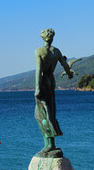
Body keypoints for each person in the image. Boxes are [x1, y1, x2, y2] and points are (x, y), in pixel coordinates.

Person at [34, 28, 75, 157]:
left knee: (40, 115)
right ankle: (51, 142)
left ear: (43, 38)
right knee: (50, 111)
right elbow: (65, 65)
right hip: (51, 82)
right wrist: (69, 74)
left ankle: (49, 144)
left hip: (43, 82)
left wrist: (37, 88)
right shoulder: (56, 51)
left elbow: (39, 71)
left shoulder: (39, 51)